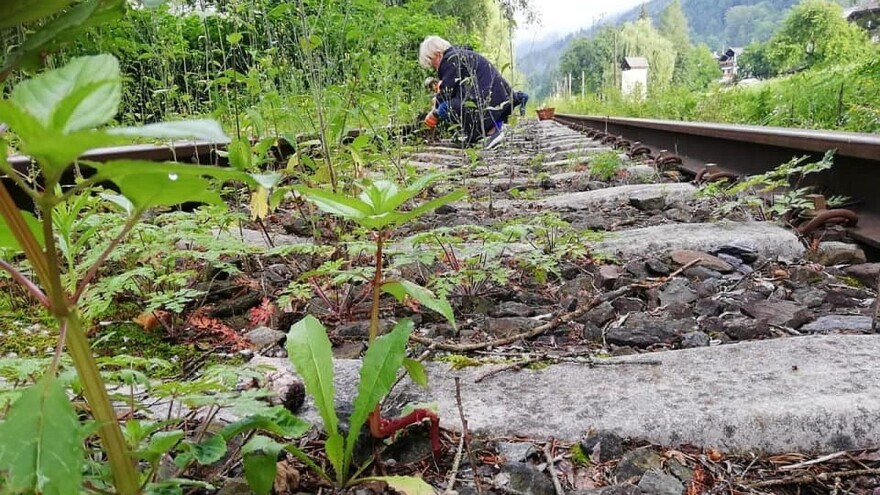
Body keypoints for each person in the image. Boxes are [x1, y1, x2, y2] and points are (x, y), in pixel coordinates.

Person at [419, 36, 512, 150]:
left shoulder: (450, 60)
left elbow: (446, 93)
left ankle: (491, 131)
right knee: (452, 104)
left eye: (431, 62)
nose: (433, 67)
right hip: (498, 98)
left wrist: (433, 113)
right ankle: (484, 132)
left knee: (444, 108)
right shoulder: (460, 55)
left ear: (437, 54)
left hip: (487, 101)